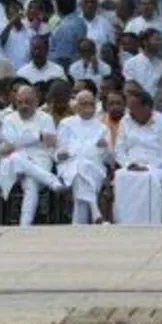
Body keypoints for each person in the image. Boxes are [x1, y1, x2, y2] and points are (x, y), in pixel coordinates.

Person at [0, 86, 64, 226]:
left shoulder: (46, 118)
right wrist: (38, 136)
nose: (23, 106)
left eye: (28, 102)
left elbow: (50, 143)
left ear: (36, 102)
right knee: (16, 158)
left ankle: (24, 224)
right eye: (20, 102)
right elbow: (11, 145)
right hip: (14, 163)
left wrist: (23, 142)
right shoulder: (9, 119)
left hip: (40, 159)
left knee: (30, 181)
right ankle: (51, 181)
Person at [113, 91, 162, 225]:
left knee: (149, 179)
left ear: (147, 108)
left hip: (157, 166)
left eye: (134, 107)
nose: (130, 111)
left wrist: (147, 167)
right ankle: (125, 222)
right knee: (121, 176)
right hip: (131, 165)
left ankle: (152, 222)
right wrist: (128, 164)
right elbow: (119, 149)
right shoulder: (125, 120)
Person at [55, 91, 110, 224]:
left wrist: (104, 148)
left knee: (81, 169)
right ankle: (95, 211)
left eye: (91, 104)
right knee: (80, 166)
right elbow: (58, 152)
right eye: (83, 104)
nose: (87, 107)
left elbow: (107, 157)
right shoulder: (66, 123)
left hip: (95, 167)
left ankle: (78, 225)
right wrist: (62, 154)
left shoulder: (102, 127)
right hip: (68, 165)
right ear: (76, 106)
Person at [124, 29, 162, 95]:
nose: (160, 43)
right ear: (145, 42)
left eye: (161, 40)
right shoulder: (131, 63)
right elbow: (131, 86)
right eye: (157, 40)